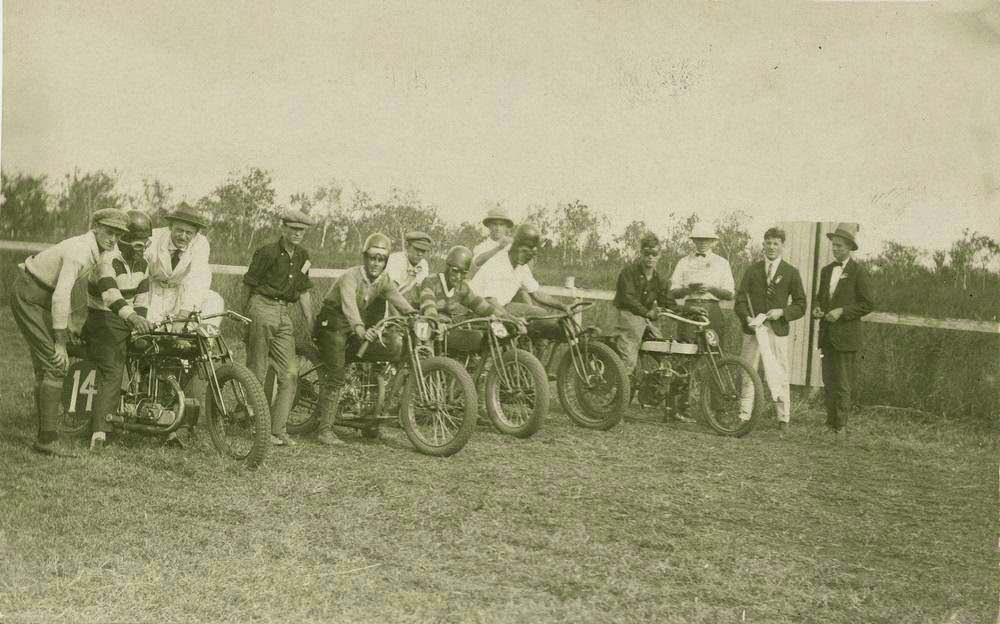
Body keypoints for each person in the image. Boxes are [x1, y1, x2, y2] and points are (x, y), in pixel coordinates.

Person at [10, 208, 130, 456]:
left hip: (41, 296)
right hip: (30, 295)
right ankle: (47, 439)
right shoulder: (79, 251)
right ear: (95, 227)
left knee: (46, 368)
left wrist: (70, 323)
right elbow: (61, 295)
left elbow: (69, 293)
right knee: (55, 364)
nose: (113, 239)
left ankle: (45, 429)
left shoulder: (98, 251)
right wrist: (60, 341)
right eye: (109, 232)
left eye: (117, 235)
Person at [312, 233, 416, 446]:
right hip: (333, 322)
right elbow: (349, 305)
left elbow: (399, 300)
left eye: (381, 259)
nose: (376, 263)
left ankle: (370, 417)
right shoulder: (351, 276)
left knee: (387, 349)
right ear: (365, 257)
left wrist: (415, 315)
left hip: (354, 324)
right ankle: (324, 430)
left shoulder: (383, 280)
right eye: (372, 257)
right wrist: (360, 329)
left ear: (385, 262)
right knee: (337, 373)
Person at [242, 208, 316, 447]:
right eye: (293, 229)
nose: (297, 234)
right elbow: (249, 284)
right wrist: (244, 317)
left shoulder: (303, 256)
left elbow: (304, 292)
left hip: (284, 313)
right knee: (258, 367)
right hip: (262, 306)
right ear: (283, 228)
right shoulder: (267, 252)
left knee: (290, 372)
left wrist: (311, 324)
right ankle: (254, 424)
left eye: (301, 231)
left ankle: (278, 429)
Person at [83, 211, 155, 451]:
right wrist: (134, 319)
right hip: (102, 317)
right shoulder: (107, 260)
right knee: (114, 368)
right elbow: (110, 295)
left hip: (125, 318)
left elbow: (142, 298)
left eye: (145, 242)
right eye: (136, 241)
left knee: (155, 352)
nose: (141, 247)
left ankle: (151, 416)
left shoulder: (143, 264)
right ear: (123, 239)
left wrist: (141, 324)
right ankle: (100, 432)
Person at [733, 227, 807, 433]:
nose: (771, 247)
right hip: (753, 330)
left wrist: (782, 312)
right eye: (768, 243)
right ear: (763, 245)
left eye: (776, 243)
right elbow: (739, 300)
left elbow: (801, 304)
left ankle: (783, 419)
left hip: (777, 330)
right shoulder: (752, 270)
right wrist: (747, 318)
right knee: (748, 371)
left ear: (782, 246)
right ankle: (744, 415)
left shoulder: (791, 272)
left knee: (779, 373)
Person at [812, 223, 873, 436]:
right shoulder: (826, 271)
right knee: (828, 380)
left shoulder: (858, 272)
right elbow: (820, 299)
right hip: (827, 335)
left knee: (843, 382)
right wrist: (819, 309)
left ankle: (841, 426)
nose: (835, 249)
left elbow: (867, 304)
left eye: (839, 245)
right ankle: (830, 424)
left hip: (847, 337)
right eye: (833, 245)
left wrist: (842, 311)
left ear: (849, 247)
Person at [468, 223, 572, 323]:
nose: (525, 257)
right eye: (523, 251)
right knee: (516, 327)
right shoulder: (497, 263)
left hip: (501, 308)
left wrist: (563, 306)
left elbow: (536, 293)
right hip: (481, 311)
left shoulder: (522, 267)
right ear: (515, 246)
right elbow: (490, 301)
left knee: (540, 314)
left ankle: (539, 340)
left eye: (529, 254)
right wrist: (513, 320)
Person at [610, 233, 679, 385]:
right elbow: (627, 298)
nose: (650, 257)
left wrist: (689, 311)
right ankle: (616, 393)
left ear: (659, 255)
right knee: (628, 357)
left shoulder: (659, 279)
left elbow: (668, 301)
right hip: (627, 315)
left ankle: (656, 385)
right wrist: (647, 312)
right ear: (641, 253)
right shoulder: (628, 272)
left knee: (662, 348)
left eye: (654, 254)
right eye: (647, 253)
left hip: (646, 319)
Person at [144, 202, 215, 325]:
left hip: (179, 293)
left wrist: (183, 316)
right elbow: (141, 273)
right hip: (151, 292)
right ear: (170, 227)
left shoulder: (201, 244)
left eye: (189, 233)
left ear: (196, 233)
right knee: (148, 333)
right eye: (179, 230)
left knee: (213, 302)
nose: (183, 236)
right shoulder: (153, 238)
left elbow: (197, 280)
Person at [668, 222, 736, 345]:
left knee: (714, 351)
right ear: (693, 240)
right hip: (689, 310)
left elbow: (730, 294)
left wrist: (711, 289)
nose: (703, 242)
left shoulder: (722, 263)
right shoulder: (684, 262)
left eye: (706, 239)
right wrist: (689, 290)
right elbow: (672, 292)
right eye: (699, 239)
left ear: (712, 241)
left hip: (713, 310)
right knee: (687, 350)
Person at [418, 246, 521, 323]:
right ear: (447, 267)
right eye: (455, 270)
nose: (458, 276)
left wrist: (508, 318)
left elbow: (484, 307)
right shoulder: (431, 281)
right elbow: (428, 305)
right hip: (425, 325)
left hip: (446, 328)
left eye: (463, 273)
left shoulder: (462, 289)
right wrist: (435, 321)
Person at [384, 231, 433, 307]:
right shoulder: (396, 260)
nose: (420, 254)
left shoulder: (423, 264)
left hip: (405, 302)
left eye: (423, 251)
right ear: (408, 247)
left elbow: (420, 291)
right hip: (386, 301)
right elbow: (391, 293)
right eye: (417, 249)